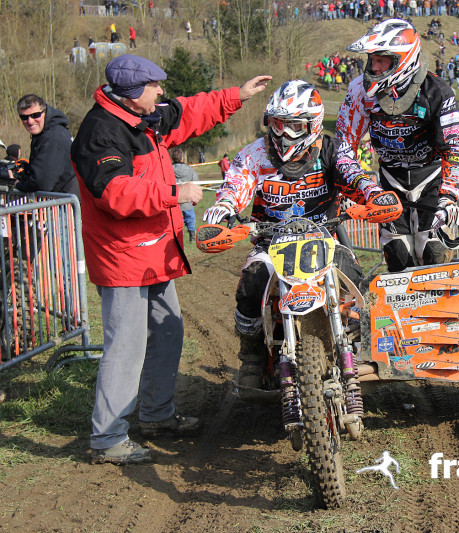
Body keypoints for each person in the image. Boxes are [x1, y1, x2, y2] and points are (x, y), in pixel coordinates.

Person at [70, 54, 271, 465]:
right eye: (154, 86)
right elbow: (114, 194)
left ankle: (157, 414)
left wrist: (237, 95)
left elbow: (188, 111)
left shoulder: (146, 116)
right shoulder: (100, 133)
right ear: (131, 93)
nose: (161, 92)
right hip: (122, 256)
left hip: (154, 251)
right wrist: (173, 195)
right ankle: (108, 437)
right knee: (125, 347)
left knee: (168, 331)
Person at [202, 80, 401, 389]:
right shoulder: (254, 154)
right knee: (253, 280)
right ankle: (252, 354)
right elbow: (235, 186)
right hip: (270, 241)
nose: (283, 133)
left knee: (351, 273)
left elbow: (354, 174)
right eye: (277, 123)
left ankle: (355, 342)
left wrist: (373, 194)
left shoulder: (332, 149)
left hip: (323, 238)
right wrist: (222, 210)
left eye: (294, 125)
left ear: (313, 124)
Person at [336, 19, 459, 272]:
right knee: (398, 254)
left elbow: (455, 150)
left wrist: (449, 196)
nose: (374, 67)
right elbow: (343, 147)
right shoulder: (359, 90)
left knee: (433, 252)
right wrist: (354, 188)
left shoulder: (437, 92)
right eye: (372, 59)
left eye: (381, 60)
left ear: (403, 59)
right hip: (390, 178)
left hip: (431, 178)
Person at [15, 94, 79, 196]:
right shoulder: (45, 133)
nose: (30, 121)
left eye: (35, 115)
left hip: (64, 200)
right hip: (61, 198)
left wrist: (18, 185)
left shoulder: (53, 137)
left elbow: (42, 182)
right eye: (24, 117)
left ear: (44, 112)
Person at [171, 148, 198, 242]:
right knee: (190, 217)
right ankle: (192, 236)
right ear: (182, 158)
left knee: (175, 219)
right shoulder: (190, 170)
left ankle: (178, 237)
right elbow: (196, 182)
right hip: (187, 199)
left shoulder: (168, 169)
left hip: (174, 199)